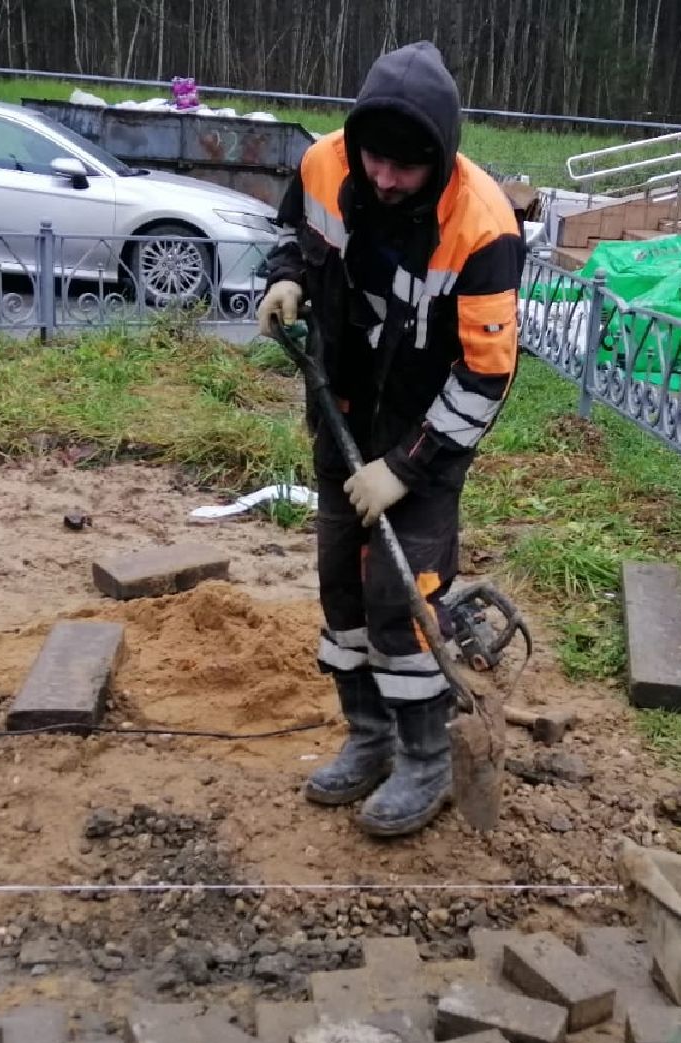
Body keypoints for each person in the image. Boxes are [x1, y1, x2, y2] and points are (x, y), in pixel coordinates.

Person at [256, 41, 524, 838]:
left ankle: (425, 758)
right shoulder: (324, 166)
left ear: (439, 159)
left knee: (400, 601)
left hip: (423, 433)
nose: (382, 179)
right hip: (341, 411)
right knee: (342, 585)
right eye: (374, 159)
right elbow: (296, 237)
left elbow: (487, 375)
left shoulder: (481, 227)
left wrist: (407, 469)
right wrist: (287, 276)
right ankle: (368, 738)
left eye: (404, 168)